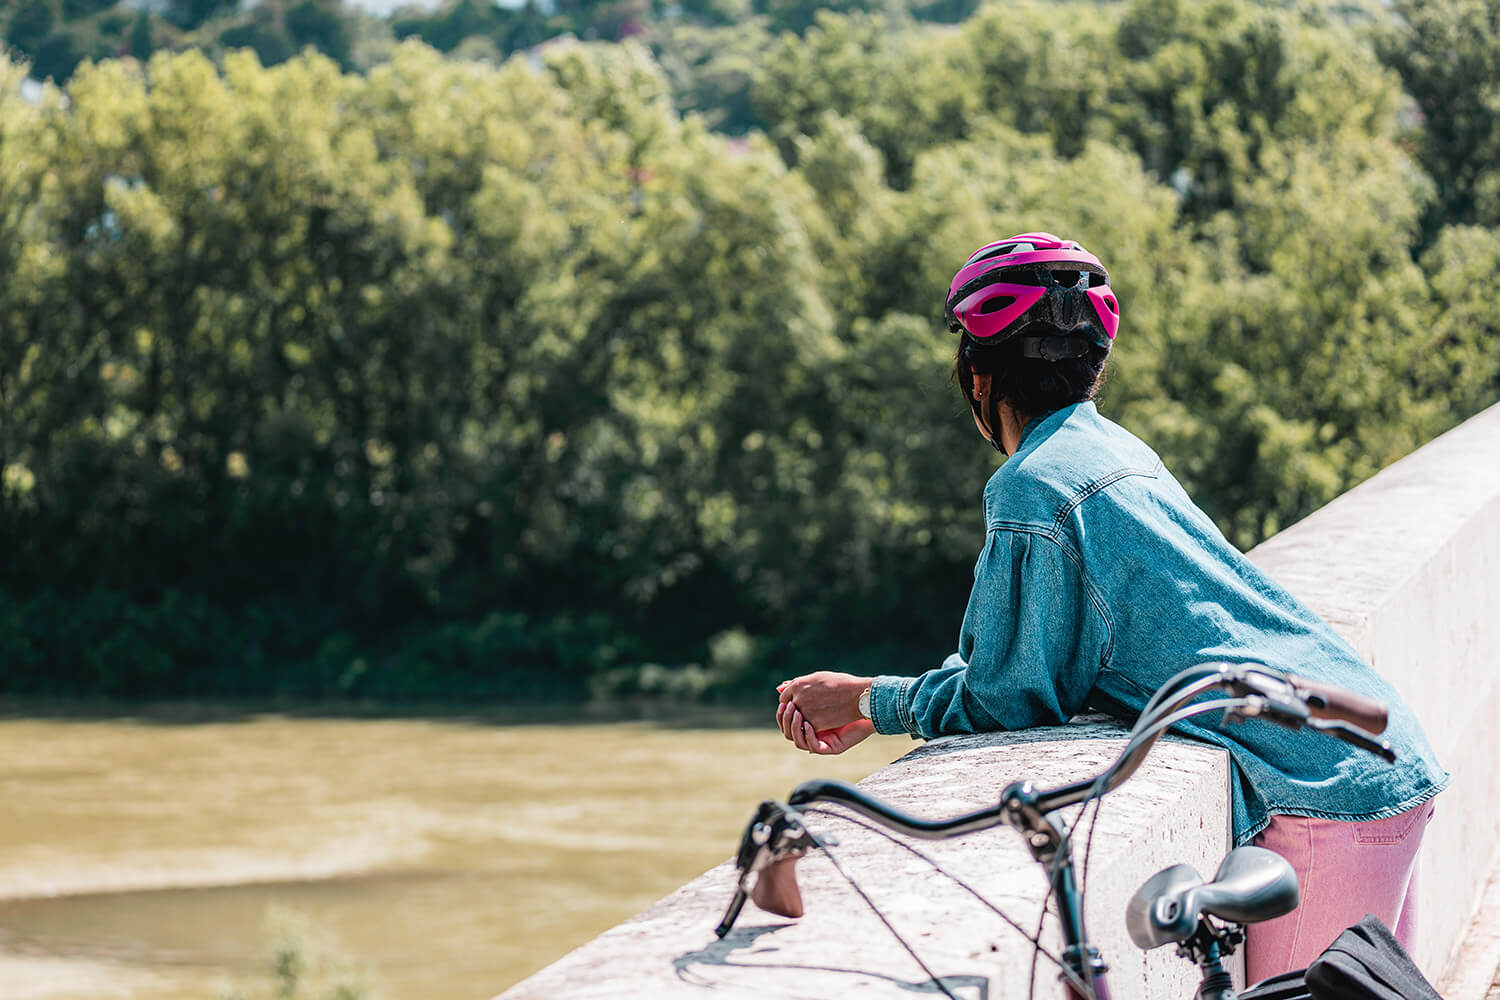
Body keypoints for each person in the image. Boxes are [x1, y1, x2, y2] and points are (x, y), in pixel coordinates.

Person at [773, 233, 1448, 982]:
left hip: (1326, 796)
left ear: (976, 377)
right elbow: (1039, 653)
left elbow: (1012, 693)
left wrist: (873, 699)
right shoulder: (1118, 451)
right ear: (1096, 366)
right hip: (1368, 755)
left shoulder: (1032, 487)